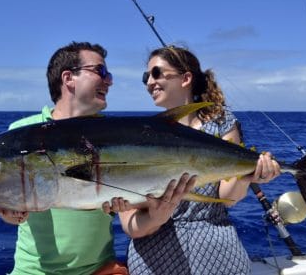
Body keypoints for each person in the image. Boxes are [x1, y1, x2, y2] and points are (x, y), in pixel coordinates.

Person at [116, 46, 281, 275]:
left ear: (185, 78)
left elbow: (227, 198)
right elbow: (129, 222)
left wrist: (248, 176)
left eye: (156, 73)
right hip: (154, 260)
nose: (149, 83)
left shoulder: (221, 123)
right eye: (146, 77)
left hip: (218, 254)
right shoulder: (141, 136)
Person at [0, 41, 128, 275]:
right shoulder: (23, 131)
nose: (109, 80)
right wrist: (8, 211)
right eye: (101, 72)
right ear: (68, 78)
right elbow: (3, 203)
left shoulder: (113, 134)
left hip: (100, 268)